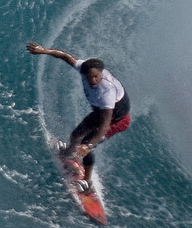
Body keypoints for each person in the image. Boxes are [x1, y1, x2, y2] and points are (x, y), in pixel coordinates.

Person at [26, 42, 131, 188]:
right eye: (90, 77)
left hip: (118, 120)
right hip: (100, 112)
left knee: (85, 144)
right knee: (76, 135)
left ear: (101, 73)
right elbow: (64, 56)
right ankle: (68, 154)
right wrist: (44, 51)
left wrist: (89, 145)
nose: (93, 80)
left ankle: (87, 183)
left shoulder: (106, 92)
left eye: (96, 76)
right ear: (84, 73)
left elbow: (105, 124)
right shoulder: (84, 68)